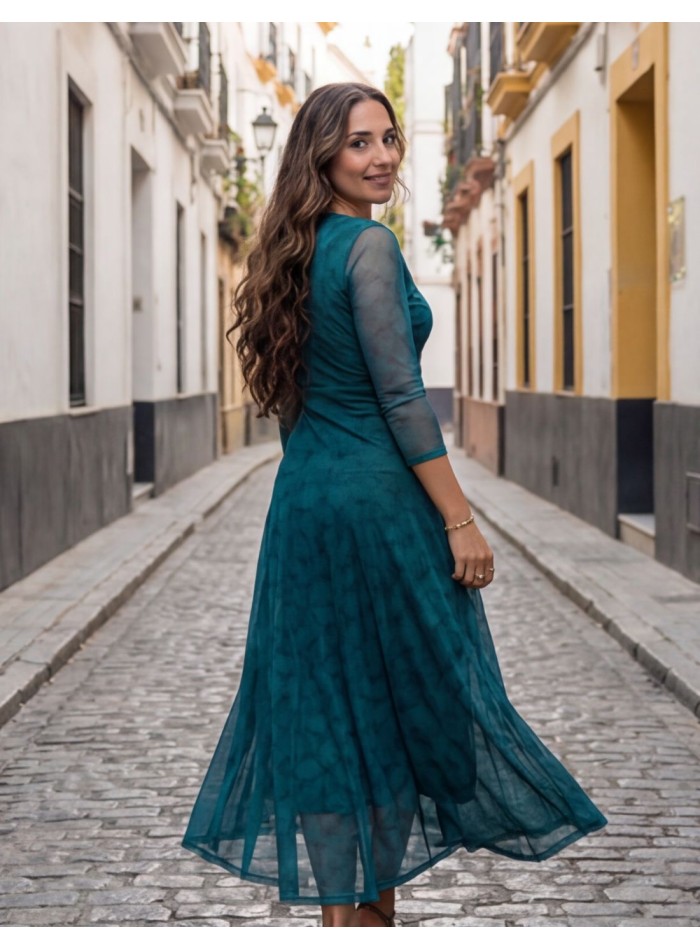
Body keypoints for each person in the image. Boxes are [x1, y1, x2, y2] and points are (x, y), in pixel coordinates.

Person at [181, 82, 607, 927]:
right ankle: (364, 915)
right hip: (378, 503)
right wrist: (460, 517)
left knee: (328, 702)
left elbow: (299, 406)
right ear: (322, 157)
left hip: (302, 506)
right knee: (399, 699)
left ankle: (348, 913)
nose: (381, 159)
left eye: (387, 139)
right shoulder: (368, 249)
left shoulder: (288, 255)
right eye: (358, 145)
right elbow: (404, 397)